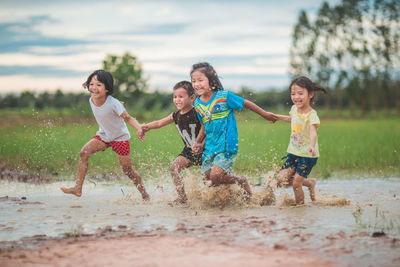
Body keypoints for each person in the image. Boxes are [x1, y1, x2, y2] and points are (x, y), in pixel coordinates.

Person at [190, 62, 278, 197]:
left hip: (226, 144)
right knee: (207, 179)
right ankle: (229, 198)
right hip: (210, 146)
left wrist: (264, 114)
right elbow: (204, 125)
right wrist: (198, 142)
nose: (197, 84)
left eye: (200, 80)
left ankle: (241, 181)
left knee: (216, 175)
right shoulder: (197, 103)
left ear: (211, 81)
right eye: (194, 81)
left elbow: (246, 103)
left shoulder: (223, 96)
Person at [60, 70, 150, 201]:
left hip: (120, 138)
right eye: (91, 84)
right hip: (104, 135)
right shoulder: (91, 99)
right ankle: (78, 188)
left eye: (98, 85)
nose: (94, 88)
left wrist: (139, 128)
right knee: (84, 153)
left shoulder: (114, 103)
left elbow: (128, 118)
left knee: (128, 171)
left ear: (107, 88)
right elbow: (97, 94)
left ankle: (145, 195)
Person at [141, 81, 205, 204]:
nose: (177, 100)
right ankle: (182, 197)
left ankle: (217, 194)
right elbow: (159, 123)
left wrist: (201, 144)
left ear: (192, 97)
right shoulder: (176, 115)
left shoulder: (197, 112)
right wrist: (145, 127)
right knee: (174, 167)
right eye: (175, 97)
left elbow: (207, 128)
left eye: (181, 97)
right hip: (189, 150)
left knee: (209, 177)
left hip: (206, 148)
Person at [275, 76, 326, 205]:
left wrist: (312, 146)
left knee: (296, 184)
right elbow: (291, 119)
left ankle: (300, 207)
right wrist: (276, 117)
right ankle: (309, 183)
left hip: (308, 155)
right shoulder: (294, 109)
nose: (296, 97)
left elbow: (313, 132)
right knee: (281, 179)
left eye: (300, 93)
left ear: (310, 94)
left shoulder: (312, 115)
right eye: (293, 94)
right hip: (293, 153)